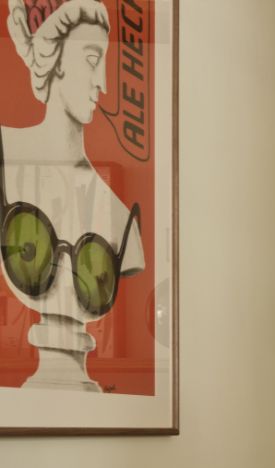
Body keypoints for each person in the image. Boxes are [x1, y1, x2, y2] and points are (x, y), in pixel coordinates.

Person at [2, 0, 143, 391]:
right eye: (92, 59)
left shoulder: (118, 216)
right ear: (55, 56)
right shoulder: (4, 154)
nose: (104, 83)